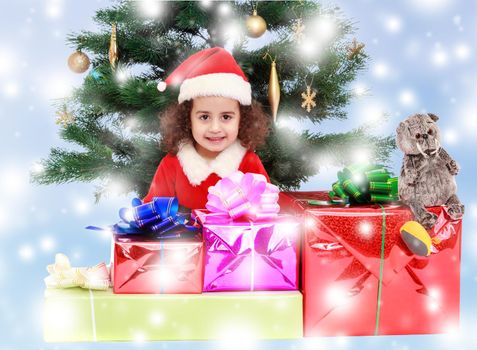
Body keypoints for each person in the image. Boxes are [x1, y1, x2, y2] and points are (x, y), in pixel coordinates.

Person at [143, 47, 271, 209]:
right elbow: (151, 210)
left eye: (226, 117)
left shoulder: (249, 162)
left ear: (242, 119)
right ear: (188, 118)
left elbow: (268, 208)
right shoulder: (173, 163)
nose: (215, 128)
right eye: (204, 117)